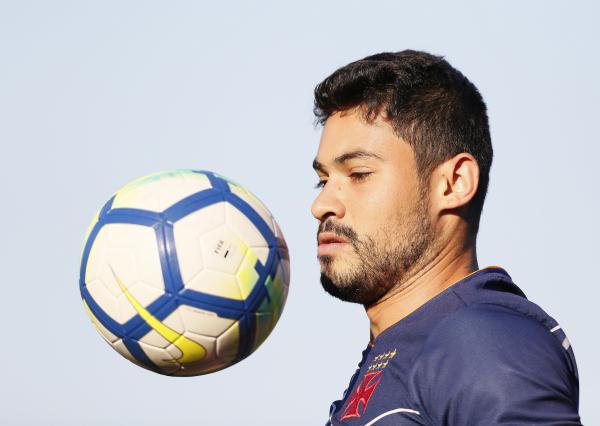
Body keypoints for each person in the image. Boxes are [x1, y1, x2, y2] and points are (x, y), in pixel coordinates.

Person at [311, 50, 582, 425]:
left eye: (358, 174)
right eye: (323, 180)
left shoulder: (479, 340)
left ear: (454, 184)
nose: (321, 205)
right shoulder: (402, 349)